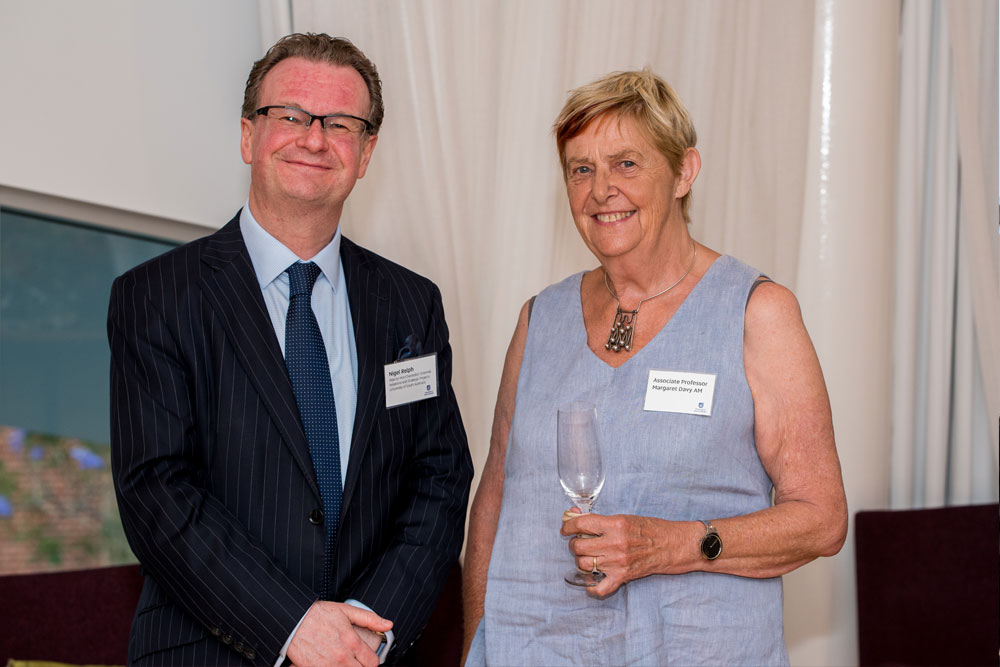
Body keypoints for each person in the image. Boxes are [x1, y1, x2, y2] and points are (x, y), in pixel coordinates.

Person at [109, 33, 472, 667]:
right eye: (291, 115)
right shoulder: (157, 296)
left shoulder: (411, 304)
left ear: (366, 153)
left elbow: (439, 480)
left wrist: (366, 631)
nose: (314, 139)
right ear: (248, 136)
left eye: (340, 123)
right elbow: (157, 493)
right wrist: (293, 625)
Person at [463, 70, 847, 666]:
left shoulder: (755, 311)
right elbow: (494, 501)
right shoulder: (540, 318)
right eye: (581, 169)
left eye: (626, 164)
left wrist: (673, 545)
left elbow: (821, 521)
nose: (601, 190)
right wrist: (475, 648)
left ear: (684, 172)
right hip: (533, 649)